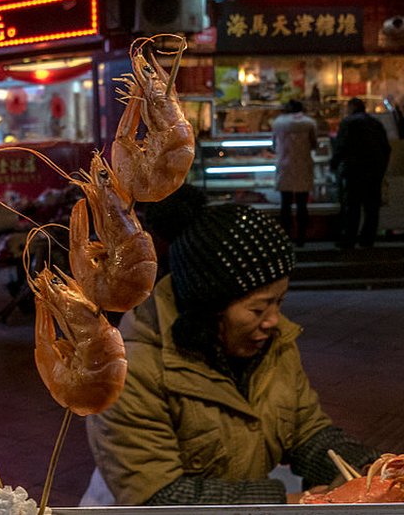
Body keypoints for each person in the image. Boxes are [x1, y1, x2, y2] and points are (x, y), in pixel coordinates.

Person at [83, 201, 378, 506]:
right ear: (210, 307)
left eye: (280, 302)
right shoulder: (131, 371)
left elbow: (306, 432)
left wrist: (370, 470)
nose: (273, 320)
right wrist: (286, 502)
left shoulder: (274, 344)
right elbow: (160, 497)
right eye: (258, 308)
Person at [330, 98, 392, 249]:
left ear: (351, 108)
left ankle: (349, 239)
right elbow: (386, 148)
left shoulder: (348, 123)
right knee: (371, 207)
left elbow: (341, 145)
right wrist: (381, 168)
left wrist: (334, 164)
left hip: (354, 169)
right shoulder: (376, 123)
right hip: (374, 170)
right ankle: (367, 239)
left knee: (352, 206)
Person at [271, 100, 318, 246]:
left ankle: (285, 237)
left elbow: (274, 145)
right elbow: (314, 144)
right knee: (301, 205)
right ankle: (301, 238)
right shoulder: (309, 123)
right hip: (303, 166)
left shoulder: (278, 123)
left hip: (285, 166)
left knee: (285, 205)